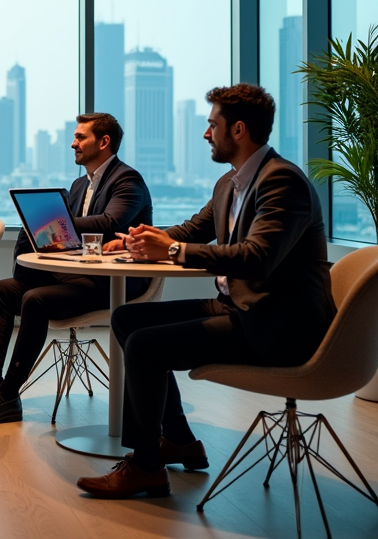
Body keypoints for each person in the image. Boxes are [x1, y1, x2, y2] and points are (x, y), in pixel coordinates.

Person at [76, 84, 335, 498]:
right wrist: (137, 240)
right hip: (239, 308)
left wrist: (173, 250)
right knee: (127, 317)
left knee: (144, 346)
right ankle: (178, 440)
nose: (204, 133)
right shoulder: (230, 183)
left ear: (238, 130)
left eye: (212, 124)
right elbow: (192, 230)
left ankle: (145, 465)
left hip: (278, 325)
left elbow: (258, 257)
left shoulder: (282, 181)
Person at [0, 113, 153, 425]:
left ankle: (8, 394)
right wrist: (41, 228)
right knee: (4, 290)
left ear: (104, 142)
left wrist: (50, 222)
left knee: (36, 299)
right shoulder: (77, 185)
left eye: (80, 137)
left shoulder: (127, 180)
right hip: (79, 274)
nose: (73, 143)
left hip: (115, 280)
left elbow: (110, 223)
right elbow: (67, 237)